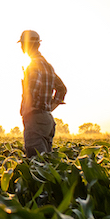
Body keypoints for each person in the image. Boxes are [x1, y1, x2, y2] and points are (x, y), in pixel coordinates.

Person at [19, 30, 66, 158]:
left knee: (36, 162)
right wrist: (49, 107)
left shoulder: (33, 65)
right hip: (47, 119)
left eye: (22, 44)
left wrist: (28, 108)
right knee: (46, 163)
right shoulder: (48, 66)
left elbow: (32, 90)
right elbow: (62, 89)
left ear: (26, 45)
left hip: (35, 119)